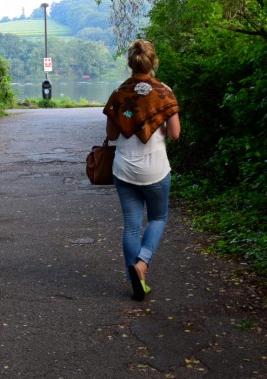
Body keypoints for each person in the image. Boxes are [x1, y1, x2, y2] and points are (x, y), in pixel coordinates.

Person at [103, 39, 181, 301]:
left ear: (130, 63)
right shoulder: (164, 92)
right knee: (158, 218)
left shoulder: (118, 93)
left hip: (124, 170)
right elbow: (175, 133)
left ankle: (137, 281)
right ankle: (142, 265)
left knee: (131, 226)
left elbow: (112, 134)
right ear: (153, 62)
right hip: (156, 170)